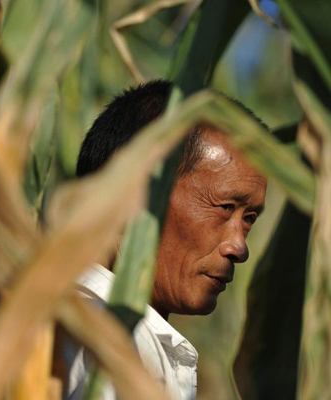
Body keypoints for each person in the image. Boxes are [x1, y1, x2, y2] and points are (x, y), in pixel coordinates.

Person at [68, 80, 268, 399]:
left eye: (248, 219)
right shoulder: (114, 343)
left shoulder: (47, 321)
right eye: (225, 207)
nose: (239, 246)